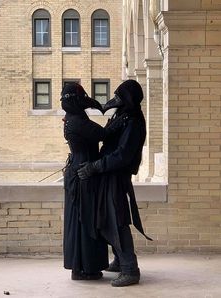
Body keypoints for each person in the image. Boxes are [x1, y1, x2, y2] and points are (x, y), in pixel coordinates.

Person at [78, 79, 152, 287]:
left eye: (120, 96)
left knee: (117, 222)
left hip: (116, 176)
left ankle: (130, 269)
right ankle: (120, 261)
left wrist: (95, 167)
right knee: (107, 219)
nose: (115, 99)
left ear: (127, 98)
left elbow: (123, 155)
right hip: (108, 175)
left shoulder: (134, 121)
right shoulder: (123, 116)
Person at [60, 82, 127, 281]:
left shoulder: (75, 117)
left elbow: (94, 120)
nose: (84, 98)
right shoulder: (76, 121)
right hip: (83, 175)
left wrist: (104, 108)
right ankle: (84, 268)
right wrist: (121, 117)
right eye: (80, 96)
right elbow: (103, 134)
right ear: (75, 100)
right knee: (86, 220)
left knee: (83, 220)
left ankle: (82, 267)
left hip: (81, 172)